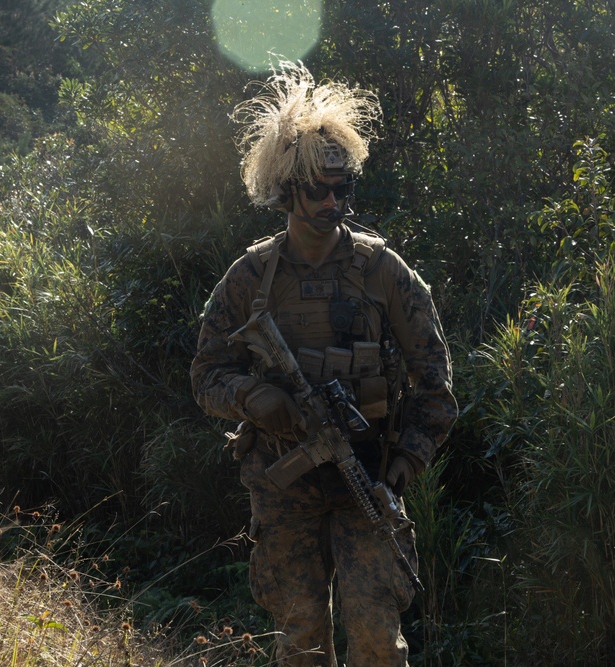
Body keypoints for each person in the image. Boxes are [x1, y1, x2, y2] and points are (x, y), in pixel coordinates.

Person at [190, 62, 458, 666]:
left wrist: (402, 469)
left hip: (368, 480)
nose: (333, 202)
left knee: (375, 643)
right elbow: (206, 373)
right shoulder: (251, 278)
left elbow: (436, 387)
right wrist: (253, 399)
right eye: (319, 190)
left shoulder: (385, 273)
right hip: (284, 487)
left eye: (343, 189)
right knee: (301, 641)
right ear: (288, 190)